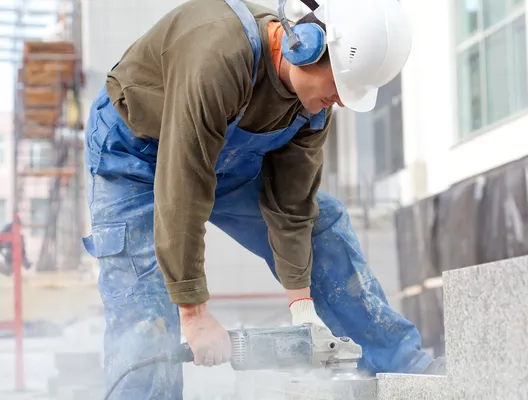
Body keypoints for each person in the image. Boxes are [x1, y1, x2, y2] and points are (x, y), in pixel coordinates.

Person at [82, 0, 442, 398]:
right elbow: (183, 185)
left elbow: (291, 206)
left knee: (324, 225)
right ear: (306, 46)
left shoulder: (313, 107)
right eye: (339, 86)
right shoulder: (218, 52)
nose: (340, 100)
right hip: (134, 154)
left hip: (221, 159)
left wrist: (301, 306)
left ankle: (406, 368)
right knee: (147, 313)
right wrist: (194, 314)